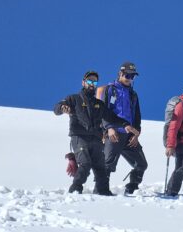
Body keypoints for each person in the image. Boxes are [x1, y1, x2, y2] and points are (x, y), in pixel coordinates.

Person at [53, 70, 127, 196]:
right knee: (85, 163)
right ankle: (75, 190)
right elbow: (57, 107)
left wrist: (126, 124)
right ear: (83, 82)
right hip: (79, 136)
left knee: (101, 167)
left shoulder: (99, 104)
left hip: (96, 139)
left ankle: (103, 192)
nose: (92, 83)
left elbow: (111, 117)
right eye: (89, 81)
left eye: (94, 81)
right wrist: (62, 108)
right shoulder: (74, 98)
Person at [96, 62, 148, 195]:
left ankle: (131, 188)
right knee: (108, 164)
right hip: (114, 133)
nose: (129, 78)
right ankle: (100, 191)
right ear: (120, 74)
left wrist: (136, 134)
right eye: (127, 75)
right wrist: (109, 128)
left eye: (132, 76)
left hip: (129, 136)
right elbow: (103, 111)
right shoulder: (110, 89)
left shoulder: (133, 94)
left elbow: (137, 116)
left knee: (141, 164)